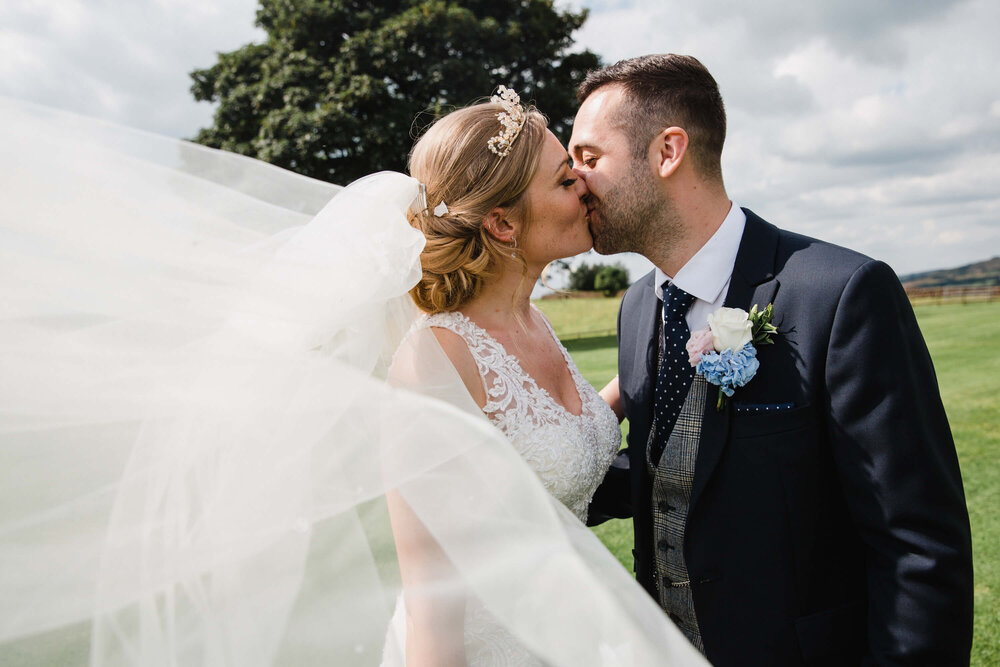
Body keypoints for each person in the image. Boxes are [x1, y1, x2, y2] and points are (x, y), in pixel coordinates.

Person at [0, 94, 706, 665]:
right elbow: (435, 603)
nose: (584, 182)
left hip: (570, 630)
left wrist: (679, 360)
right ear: (500, 223)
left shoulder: (534, 323)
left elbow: (555, 432)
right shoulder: (435, 360)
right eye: (562, 177)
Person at [573, 54, 974, 665]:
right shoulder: (636, 308)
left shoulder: (839, 295)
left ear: (667, 151)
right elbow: (670, 475)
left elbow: (918, 545)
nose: (575, 180)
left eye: (589, 157)